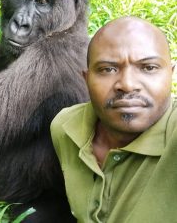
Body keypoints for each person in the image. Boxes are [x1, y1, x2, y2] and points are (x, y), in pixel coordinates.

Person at [51, 16, 176, 223]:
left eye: (148, 67)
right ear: (86, 79)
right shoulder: (65, 128)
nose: (127, 84)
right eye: (108, 69)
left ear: (171, 74)